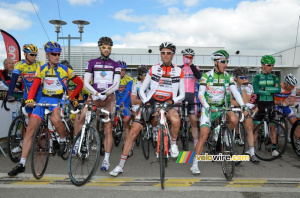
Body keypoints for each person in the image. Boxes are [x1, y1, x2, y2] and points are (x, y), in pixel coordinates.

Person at [7, 41, 83, 176]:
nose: (57, 56)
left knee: (55, 119)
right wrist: (30, 99)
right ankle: (22, 163)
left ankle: (62, 139)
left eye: (58, 54)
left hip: (58, 100)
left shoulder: (65, 69)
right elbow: (35, 86)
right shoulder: (41, 69)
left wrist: (71, 97)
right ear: (47, 55)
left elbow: (80, 84)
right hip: (43, 99)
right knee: (30, 129)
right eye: (54, 54)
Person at [109, 42, 185, 177]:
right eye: (163, 52)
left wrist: (173, 101)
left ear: (173, 54)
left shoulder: (179, 71)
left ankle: (173, 144)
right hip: (151, 101)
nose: (166, 55)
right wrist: (146, 102)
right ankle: (120, 165)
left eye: (168, 53)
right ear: (160, 54)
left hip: (169, 102)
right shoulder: (153, 69)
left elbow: (182, 94)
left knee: (176, 120)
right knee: (133, 132)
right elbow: (143, 90)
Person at [191, 50, 247, 175]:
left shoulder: (228, 77)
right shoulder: (206, 76)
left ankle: (224, 133)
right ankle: (195, 163)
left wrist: (243, 105)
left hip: (222, 108)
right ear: (215, 62)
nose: (225, 64)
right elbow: (200, 95)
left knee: (234, 119)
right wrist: (207, 106)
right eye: (223, 61)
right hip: (208, 108)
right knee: (204, 135)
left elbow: (236, 92)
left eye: (227, 61)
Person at [74, 36, 121, 172]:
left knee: (107, 128)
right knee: (80, 118)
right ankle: (77, 143)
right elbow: (86, 83)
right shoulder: (91, 62)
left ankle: (106, 159)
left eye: (109, 47)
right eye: (104, 47)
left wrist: (105, 93)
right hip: (94, 95)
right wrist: (95, 93)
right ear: (100, 48)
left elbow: (116, 84)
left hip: (109, 97)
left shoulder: (115, 65)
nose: (106, 50)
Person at [6, 44, 44, 154]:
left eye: (35, 55)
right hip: (27, 95)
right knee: (25, 120)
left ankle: (45, 142)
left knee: (41, 119)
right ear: (25, 54)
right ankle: (23, 144)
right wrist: (10, 93)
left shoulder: (39, 64)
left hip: (39, 95)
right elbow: (13, 80)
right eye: (31, 55)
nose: (34, 57)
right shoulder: (19, 65)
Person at [252, 55, 280, 157]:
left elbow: (278, 90)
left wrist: (264, 89)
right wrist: (270, 90)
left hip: (271, 105)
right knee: (256, 127)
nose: (271, 67)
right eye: (269, 65)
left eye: (273, 65)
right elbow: (256, 90)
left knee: (273, 127)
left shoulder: (275, 77)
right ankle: (250, 149)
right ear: (262, 65)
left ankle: (274, 149)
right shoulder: (256, 77)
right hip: (260, 104)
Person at [231, 67, 259, 163]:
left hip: (243, 107)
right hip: (232, 107)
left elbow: (247, 101)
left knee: (249, 128)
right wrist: (242, 104)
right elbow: (231, 101)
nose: (244, 79)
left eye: (246, 77)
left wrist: (242, 88)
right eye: (241, 77)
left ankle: (252, 152)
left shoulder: (248, 86)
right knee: (231, 122)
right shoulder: (230, 85)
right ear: (235, 78)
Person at [180, 48, 201, 148]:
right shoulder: (179, 68)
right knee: (176, 119)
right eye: (186, 57)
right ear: (183, 57)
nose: (188, 58)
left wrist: (191, 65)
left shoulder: (195, 67)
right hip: (181, 96)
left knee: (193, 121)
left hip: (191, 96)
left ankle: (196, 142)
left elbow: (198, 76)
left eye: (190, 57)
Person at [274, 73, 299, 143]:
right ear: (286, 83)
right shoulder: (277, 87)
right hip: (275, 106)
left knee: (295, 123)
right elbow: (271, 100)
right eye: (291, 86)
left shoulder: (293, 89)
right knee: (275, 126)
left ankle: (298, 142)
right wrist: (280, 103)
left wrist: (287, 103)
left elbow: (292, 102)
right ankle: (274, 145)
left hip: (284, 106)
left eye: (293, 86)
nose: (292, 88)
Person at [115, 60, 133, 141]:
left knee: (126, 122)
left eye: (123, 70)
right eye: (120, 70)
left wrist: (122, 103)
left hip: (125, 101)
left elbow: (128, 93)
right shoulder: (113, 78)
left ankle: (127, 142)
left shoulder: (129, 79)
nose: (122, 72)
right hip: (116, 99)